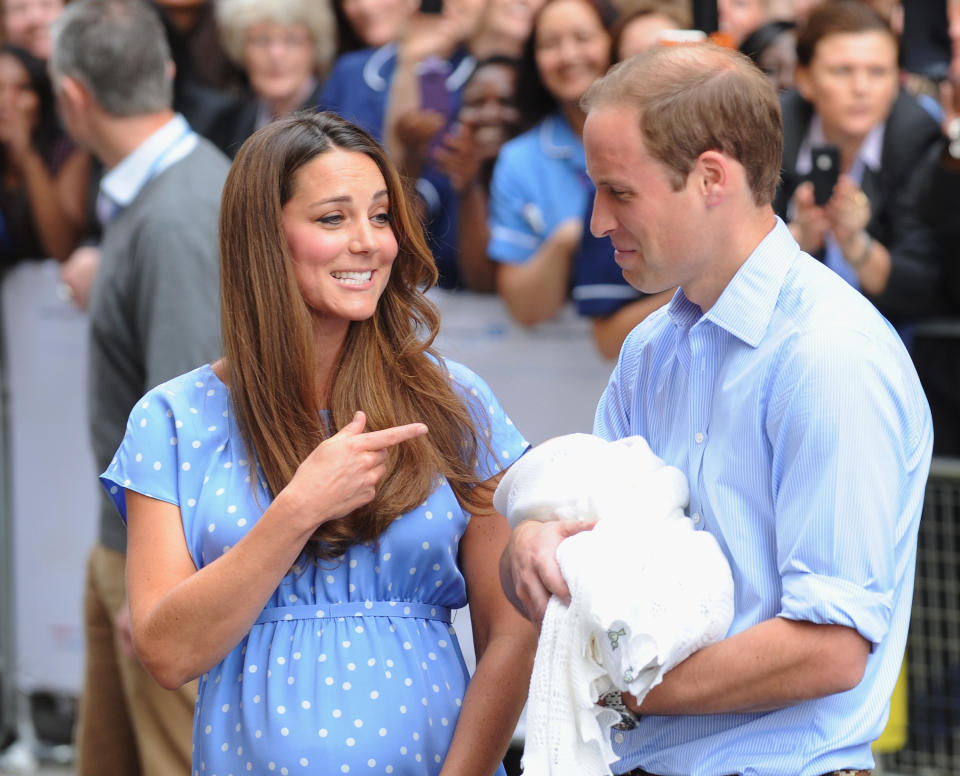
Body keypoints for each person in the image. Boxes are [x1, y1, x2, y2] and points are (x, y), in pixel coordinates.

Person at [501, 42, 932, 776]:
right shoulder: (648, 350)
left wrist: (611, 687)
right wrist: (532, 550)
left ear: (711, 178)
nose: (598, 222)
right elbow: (585, 557)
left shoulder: (831, 355)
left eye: (619, 192)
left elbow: (829, 650)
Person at [100, 110, 538, 775]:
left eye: (382, 216)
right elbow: (167, 651)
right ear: (263, 238)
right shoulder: (171, 419)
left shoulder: (455, 400)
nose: (368, 242)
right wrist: (298, 509)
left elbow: (511, 631)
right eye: (333, 219)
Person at [48, 0, 231, 773]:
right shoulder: (163, 200)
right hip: (131, 544)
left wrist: (155, 583)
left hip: (159, 554)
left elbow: (189, 420)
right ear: (164, 71)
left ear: (72, 99)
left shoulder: (176, 215)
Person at [775, 0, 943, 331]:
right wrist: (798, 237)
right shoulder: (774, 132)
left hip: (887, 326)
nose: (861, 89)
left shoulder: (916, 136)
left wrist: (855, 242)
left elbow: (923, 284)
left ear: (898, 79)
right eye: (842, 70)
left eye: (878, 72)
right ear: (804, 78)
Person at [486, 0, 613, 326]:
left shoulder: (658, 136)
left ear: (612, 41)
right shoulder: (519, 160)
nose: (568, 56)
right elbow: (524, 310)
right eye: (550, 44)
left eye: (583, 37)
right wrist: (568, 240)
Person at [432, 55, 522, 292]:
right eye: (476, 103)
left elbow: (487, 282)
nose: (490, 114)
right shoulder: (443, 171)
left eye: (507, 102)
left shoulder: (538, 176)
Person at [207, 0, 335, 158]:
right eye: (261, 40)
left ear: (314, 47)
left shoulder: (337, 114)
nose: (276, 54)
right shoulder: (230, 123)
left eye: (292, 40)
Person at [0, 43, 89, 266]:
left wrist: (26, 153)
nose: (7, 102)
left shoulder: (69, 152)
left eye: (21, 89)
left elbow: (61, 248)